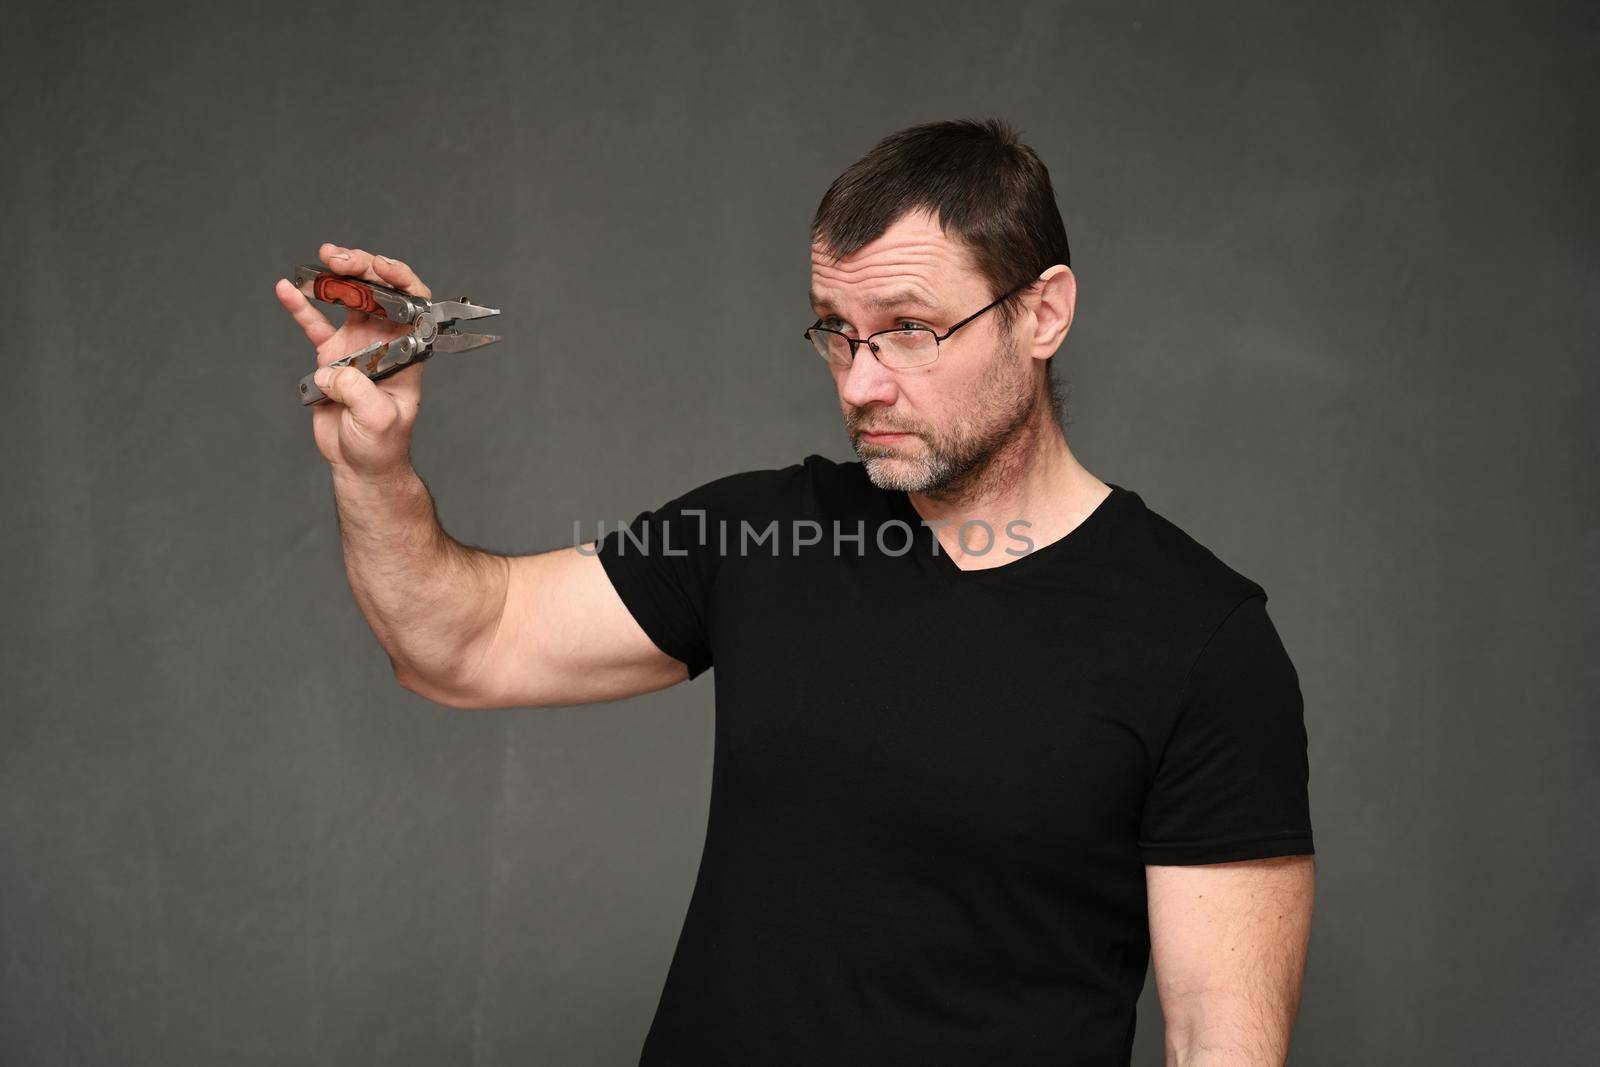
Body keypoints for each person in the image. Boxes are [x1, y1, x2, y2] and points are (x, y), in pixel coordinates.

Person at [274, 117, 1316, 1066]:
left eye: (910, 328)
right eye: (835, 330)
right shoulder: (763, 532)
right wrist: (373, 465)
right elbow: (461, 643)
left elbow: (1218, 1041)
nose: (860, 381)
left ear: (1042, 312)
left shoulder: (1199, 638)